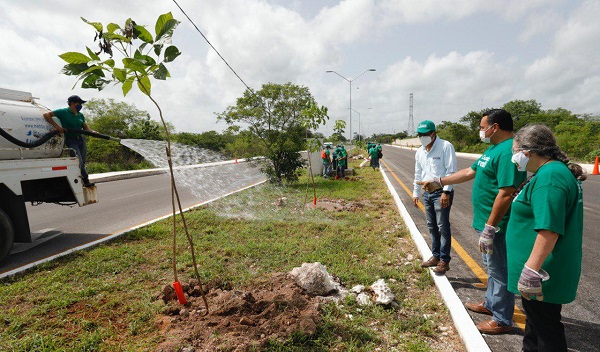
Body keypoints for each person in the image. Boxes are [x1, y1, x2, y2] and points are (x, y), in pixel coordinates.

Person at [420, 109, 526, 334]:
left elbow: (506, 192)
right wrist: (440, 181)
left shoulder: (508, 151)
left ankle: (502, 318)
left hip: (497, 223)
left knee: (500, 270)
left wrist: (490, 226)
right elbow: (470, 171)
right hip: (486, 221)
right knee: (491, 267)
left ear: (494, 127)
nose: (480, 131)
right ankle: (490, 304)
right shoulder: (492, 149)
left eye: (481, 126)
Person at [506, 124, 585, 351]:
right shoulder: (552, 172)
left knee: (546, 331)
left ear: (527, 152)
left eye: (514, 151)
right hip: (543, 269)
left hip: (542, 272)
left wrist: (531, 271)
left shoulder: (550, 177)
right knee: (536, 325)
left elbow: (549, 229)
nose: (513, 157)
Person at [413, 120, 457, 275]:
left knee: (442, 226)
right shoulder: (420, 151)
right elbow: (418, 173)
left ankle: (444, 260)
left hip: (441, 192)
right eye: (420, 135)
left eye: (426, 134)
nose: (423, 137)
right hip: (427, 192)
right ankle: (436, 256)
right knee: (431, 226)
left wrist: (446, 192)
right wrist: (415, 193)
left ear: (434, 133)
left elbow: (451, 172)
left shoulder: (445, 146)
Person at [43, 95, 95, 187]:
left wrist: (93, 132)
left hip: (81, 140)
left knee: (83, 161)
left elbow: (86, 128)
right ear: (71, 104)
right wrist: (58, 127)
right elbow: (46, 115)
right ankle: (86, 181)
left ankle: (80, 179)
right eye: (79, 103)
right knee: (78, 161)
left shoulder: (80, 115)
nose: (80, 106)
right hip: (71, 141)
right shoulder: (63, 112)